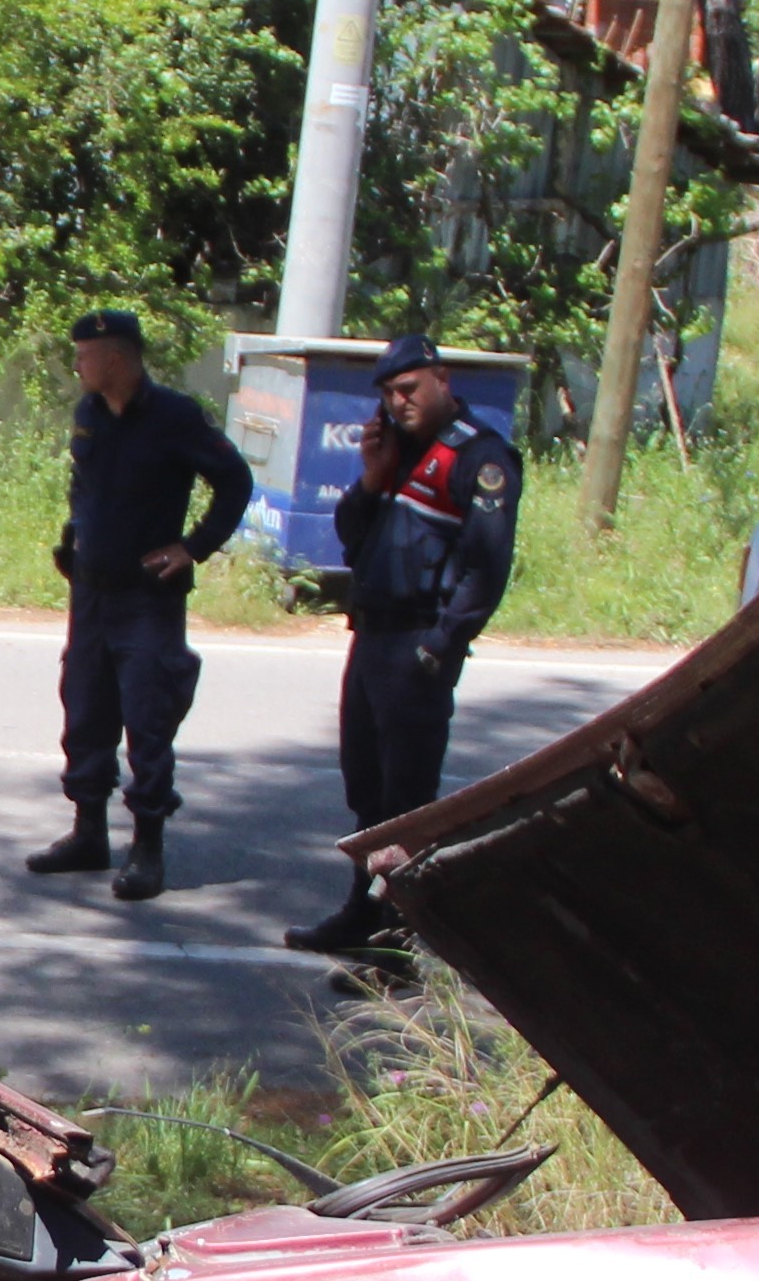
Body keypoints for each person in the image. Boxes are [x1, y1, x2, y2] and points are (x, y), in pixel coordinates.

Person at [289, 335, 523, 962]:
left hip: (418, 642)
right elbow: (351, 538)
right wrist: (371, 478)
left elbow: (487, 569)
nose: (399, 402)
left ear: (441, 380)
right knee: (366, 790)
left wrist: (441, 646)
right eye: (389, 394)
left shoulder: (480, 457)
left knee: (407, 803)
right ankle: (362, 912)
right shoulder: (397, 453)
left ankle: (399, 944)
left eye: (409, 388)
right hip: (371, 637)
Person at [30, 305, 260, 902]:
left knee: (148, 717)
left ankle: (147, 847)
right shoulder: (89, 413)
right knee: (85, 708)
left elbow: (235, 481)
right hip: (91, 592)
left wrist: (194, 547)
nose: (77, 366)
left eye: (84, 356)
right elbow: (85, 484)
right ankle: (88, 833)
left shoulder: (175, 417)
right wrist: (73, 538)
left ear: (114, 359)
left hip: (146, 597)